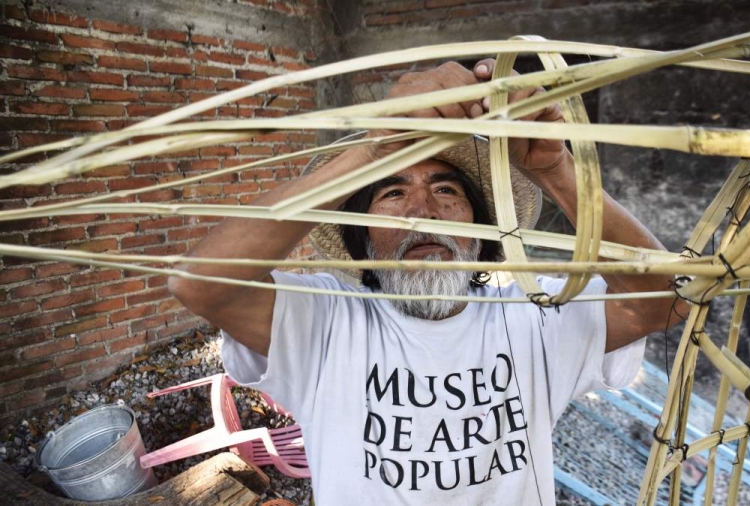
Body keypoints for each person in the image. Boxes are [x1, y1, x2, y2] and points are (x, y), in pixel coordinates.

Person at [169, 59, 679, 505]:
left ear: (480, 230)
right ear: (362, 236)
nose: (423, 212)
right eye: (392, 193)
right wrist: (372, 148)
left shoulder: (534, 314)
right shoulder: (324, 317)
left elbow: (665, 303)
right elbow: (201, 284)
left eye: (445, 189)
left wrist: (557, 169)